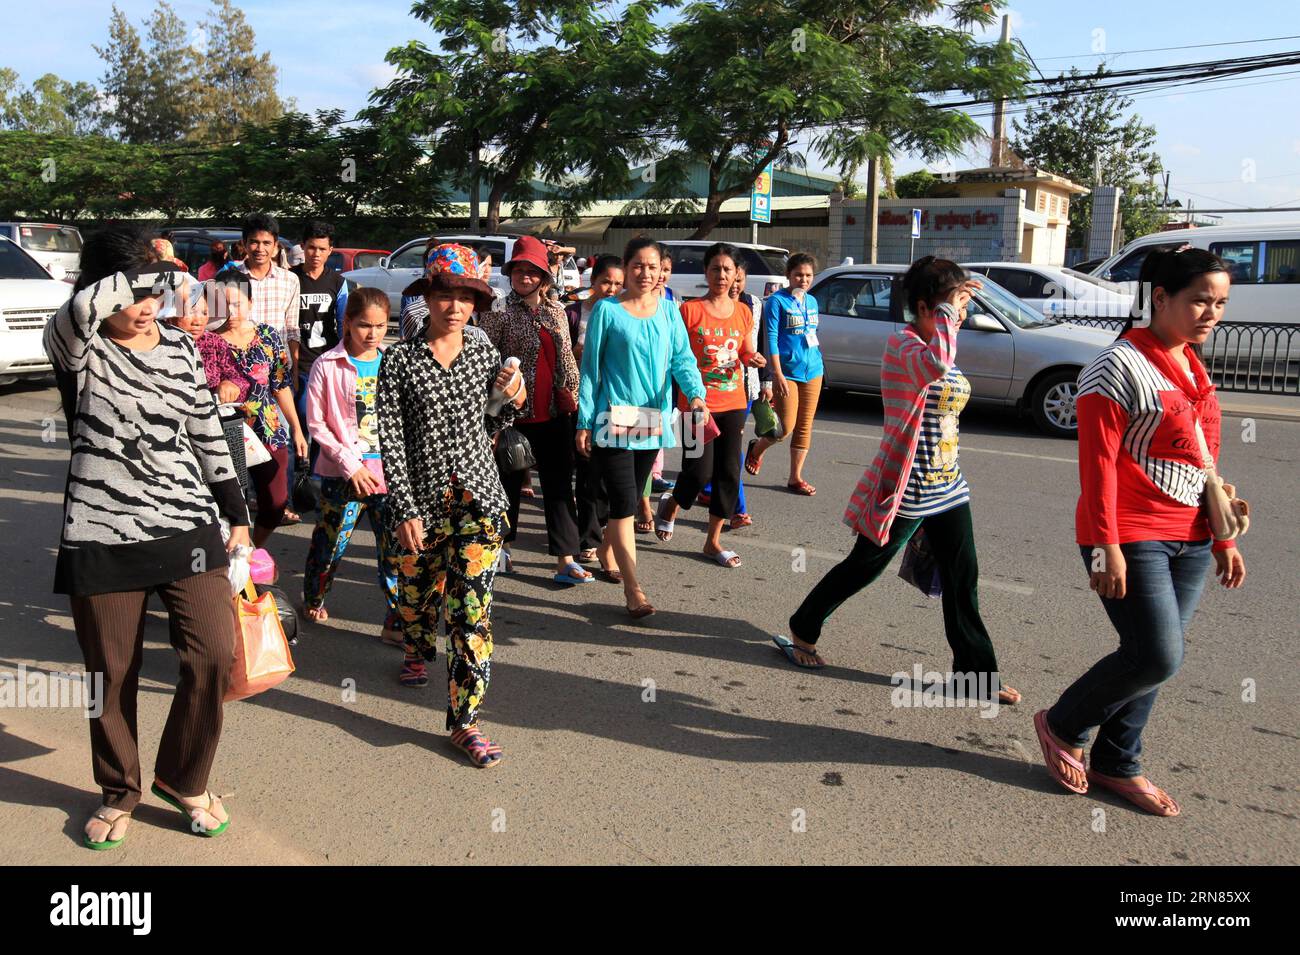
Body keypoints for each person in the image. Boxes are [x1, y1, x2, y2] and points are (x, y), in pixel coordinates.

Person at [43, 226, 251, 849]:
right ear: (103, 288)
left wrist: (235, 511)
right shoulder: (77, 346)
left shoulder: (181, 351)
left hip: (185, 523)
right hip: (102, 532)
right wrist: (158, 270)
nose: (149, 306)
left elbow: (209, 434)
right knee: (111, 672)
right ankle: (118, 790)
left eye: (157, 294)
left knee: (215, 655)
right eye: (138, 293)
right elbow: (82, 308)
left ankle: (184, 778)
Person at [1035, 248, 1245, 816]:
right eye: (1200, 299)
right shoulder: (1118, 365)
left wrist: (1222, 536)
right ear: (1160, 298)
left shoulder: (1191, 363)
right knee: (1156, 655)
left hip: (1193, 534)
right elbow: (1097, 464)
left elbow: (1204, 456)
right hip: (1130, 533)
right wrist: (1106, 546)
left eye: (1220, 302)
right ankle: (1062, 724)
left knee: (1155, 655)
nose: (1211, 312)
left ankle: (1117, 761)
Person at [776, 257, 1021, 709]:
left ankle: (976, 675)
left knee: (963, 577)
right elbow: (935, 366)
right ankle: (803, 627)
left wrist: (954, 306)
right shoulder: (905, 347)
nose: (961, 316)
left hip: (949, 485)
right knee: (864, 566)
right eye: (951, 307)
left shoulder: (937, 339)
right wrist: (947, 314)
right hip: (907, 485)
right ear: (926, 306)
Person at [377, 243, 527, 766]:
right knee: (418, 596)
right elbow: (390, 439)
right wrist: (404, 510)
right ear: (428, 297)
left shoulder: (485, 352)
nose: (456, 307)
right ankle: (417, 647)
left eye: (466, 298)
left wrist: (515, 397)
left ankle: (464, 721)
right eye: (447, 296)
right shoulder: (398, 359)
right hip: (421, 501)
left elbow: (494, 422)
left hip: (479, 501)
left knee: (471, 614)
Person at [576, 237, 709, 618]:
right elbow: (591, 371)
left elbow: (683, 359)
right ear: (626, 266)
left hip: (652, 420)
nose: (646, 273)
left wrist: (695, 394)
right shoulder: (606, 310)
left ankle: (605, 549)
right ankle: (634, 590)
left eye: (652, 266)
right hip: (613, 418)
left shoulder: (670, 312)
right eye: (638, 265)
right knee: (622, 504)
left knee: (633, 496)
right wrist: (585, 421)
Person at [478, 236, 590, 583]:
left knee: (558, 487)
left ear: (544, 276)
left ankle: (565, 559)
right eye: (519, 271)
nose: (524, 277)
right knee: (508, 482)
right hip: (514, 413)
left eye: (532, 271)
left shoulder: (556, 310)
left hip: (554, 413)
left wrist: (573, 394)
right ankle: (502, 550)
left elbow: (567, 358)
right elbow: (486, 360)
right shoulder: (498, 311)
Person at [654, 243, 765, 567]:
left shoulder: (743, 311)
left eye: (727, 269)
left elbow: (745, 349)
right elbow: (676, 355)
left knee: (728, 471)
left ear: (736, 275)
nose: (721, 274)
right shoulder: (689, 311)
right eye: (715, 268)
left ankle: (712, 541)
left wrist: (751, 358)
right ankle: (673, 503)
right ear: (706, 271)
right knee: (697, 471)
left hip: (733, 402)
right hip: (695, 405)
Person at [303, 287, 403, 646]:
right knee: (330, 546)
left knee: (394, 552)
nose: (373, 333)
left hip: (388, 476)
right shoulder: (327, 365)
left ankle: (396, 620)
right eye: (364, 325)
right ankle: (314, 597)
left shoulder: (394, 363)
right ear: (347, 323)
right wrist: (350, 465)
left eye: (379, 325)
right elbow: (317, 424)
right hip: (342, 475)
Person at [208, 274, 309, 546]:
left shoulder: (268, 336)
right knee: (229, 506)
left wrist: (297, 430)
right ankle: (232, 561)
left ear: (250, 303)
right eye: (222, 305)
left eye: (237, 304)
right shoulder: (206, 341)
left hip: (268, 428)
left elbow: (281, 384)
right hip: (224, 432)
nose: (230, 313)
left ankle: (252, 550)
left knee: (276, 503)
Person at [745, 253, 822, 495]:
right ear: (788, 275)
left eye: (808, 275)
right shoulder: (777, 301)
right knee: (785, 427)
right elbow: (772, 340)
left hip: (813, 370)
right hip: (785, 372)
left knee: (805, 426)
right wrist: (776, 374)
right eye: (798, 274)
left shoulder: (812, 301)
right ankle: (757, 448)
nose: (803, 279)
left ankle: (795, 477)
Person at [564, 254, 623, 559]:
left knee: (609, 474)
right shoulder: (573, 314)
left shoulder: (626, 313)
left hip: (614, 404)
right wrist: (577, 351)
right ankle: (588, 537)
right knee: (586, 473)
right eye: (605, 282)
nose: (611, 288)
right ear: (592, 282)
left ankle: (603, 528)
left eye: (617, 283)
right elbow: (562, 357)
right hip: (578, 401)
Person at [291, 220, 353, 477]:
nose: (316, 254)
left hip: (324, 363)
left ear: (330, 251)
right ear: (303, 247)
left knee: (321, 422)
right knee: (299, 422)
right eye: (312, 248)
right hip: (296, 362)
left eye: (322, 249)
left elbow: (344, 323)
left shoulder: (339, 283)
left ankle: (314, 475)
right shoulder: (290, 279)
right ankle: (298, 472)